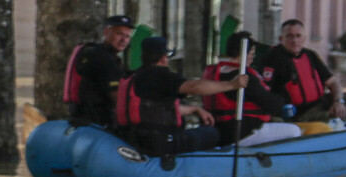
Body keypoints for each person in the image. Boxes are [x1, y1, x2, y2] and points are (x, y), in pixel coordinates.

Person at [113, 37, 247, 157]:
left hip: (135, 137)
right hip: (159, 141)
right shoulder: (161, 75)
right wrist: (232, 84)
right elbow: (193, 87)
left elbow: (154, 109)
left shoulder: (137, 76)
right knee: (211, 133)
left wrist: (194, 109)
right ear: (163, 58)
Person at [204, 32, 302, 146]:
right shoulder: (244, 76)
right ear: (244, 53)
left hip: (218, 129)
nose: (252, 58)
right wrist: (283, 102)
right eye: (252, 53)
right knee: (294, 131)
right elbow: (271, 104)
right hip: (241, 132)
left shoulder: (213, 72)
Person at [255, 19, 346, 123]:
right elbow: (264, 92)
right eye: (290, 36)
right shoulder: (271, 59)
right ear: (281, 39)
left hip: (321, 102)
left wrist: (338, 101)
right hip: (300, 113)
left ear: (304, 38)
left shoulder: (310, 55)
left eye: (298, 36)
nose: (295, 41)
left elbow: (332, 82)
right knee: (343, 118)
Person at [62, 14, 134, 127]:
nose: (123, 40)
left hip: (82, 119)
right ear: (106, 32)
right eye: (119, 34)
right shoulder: (104, 58)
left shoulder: (97, 53)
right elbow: (117, 98)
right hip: (96, 123)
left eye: (127, 36)